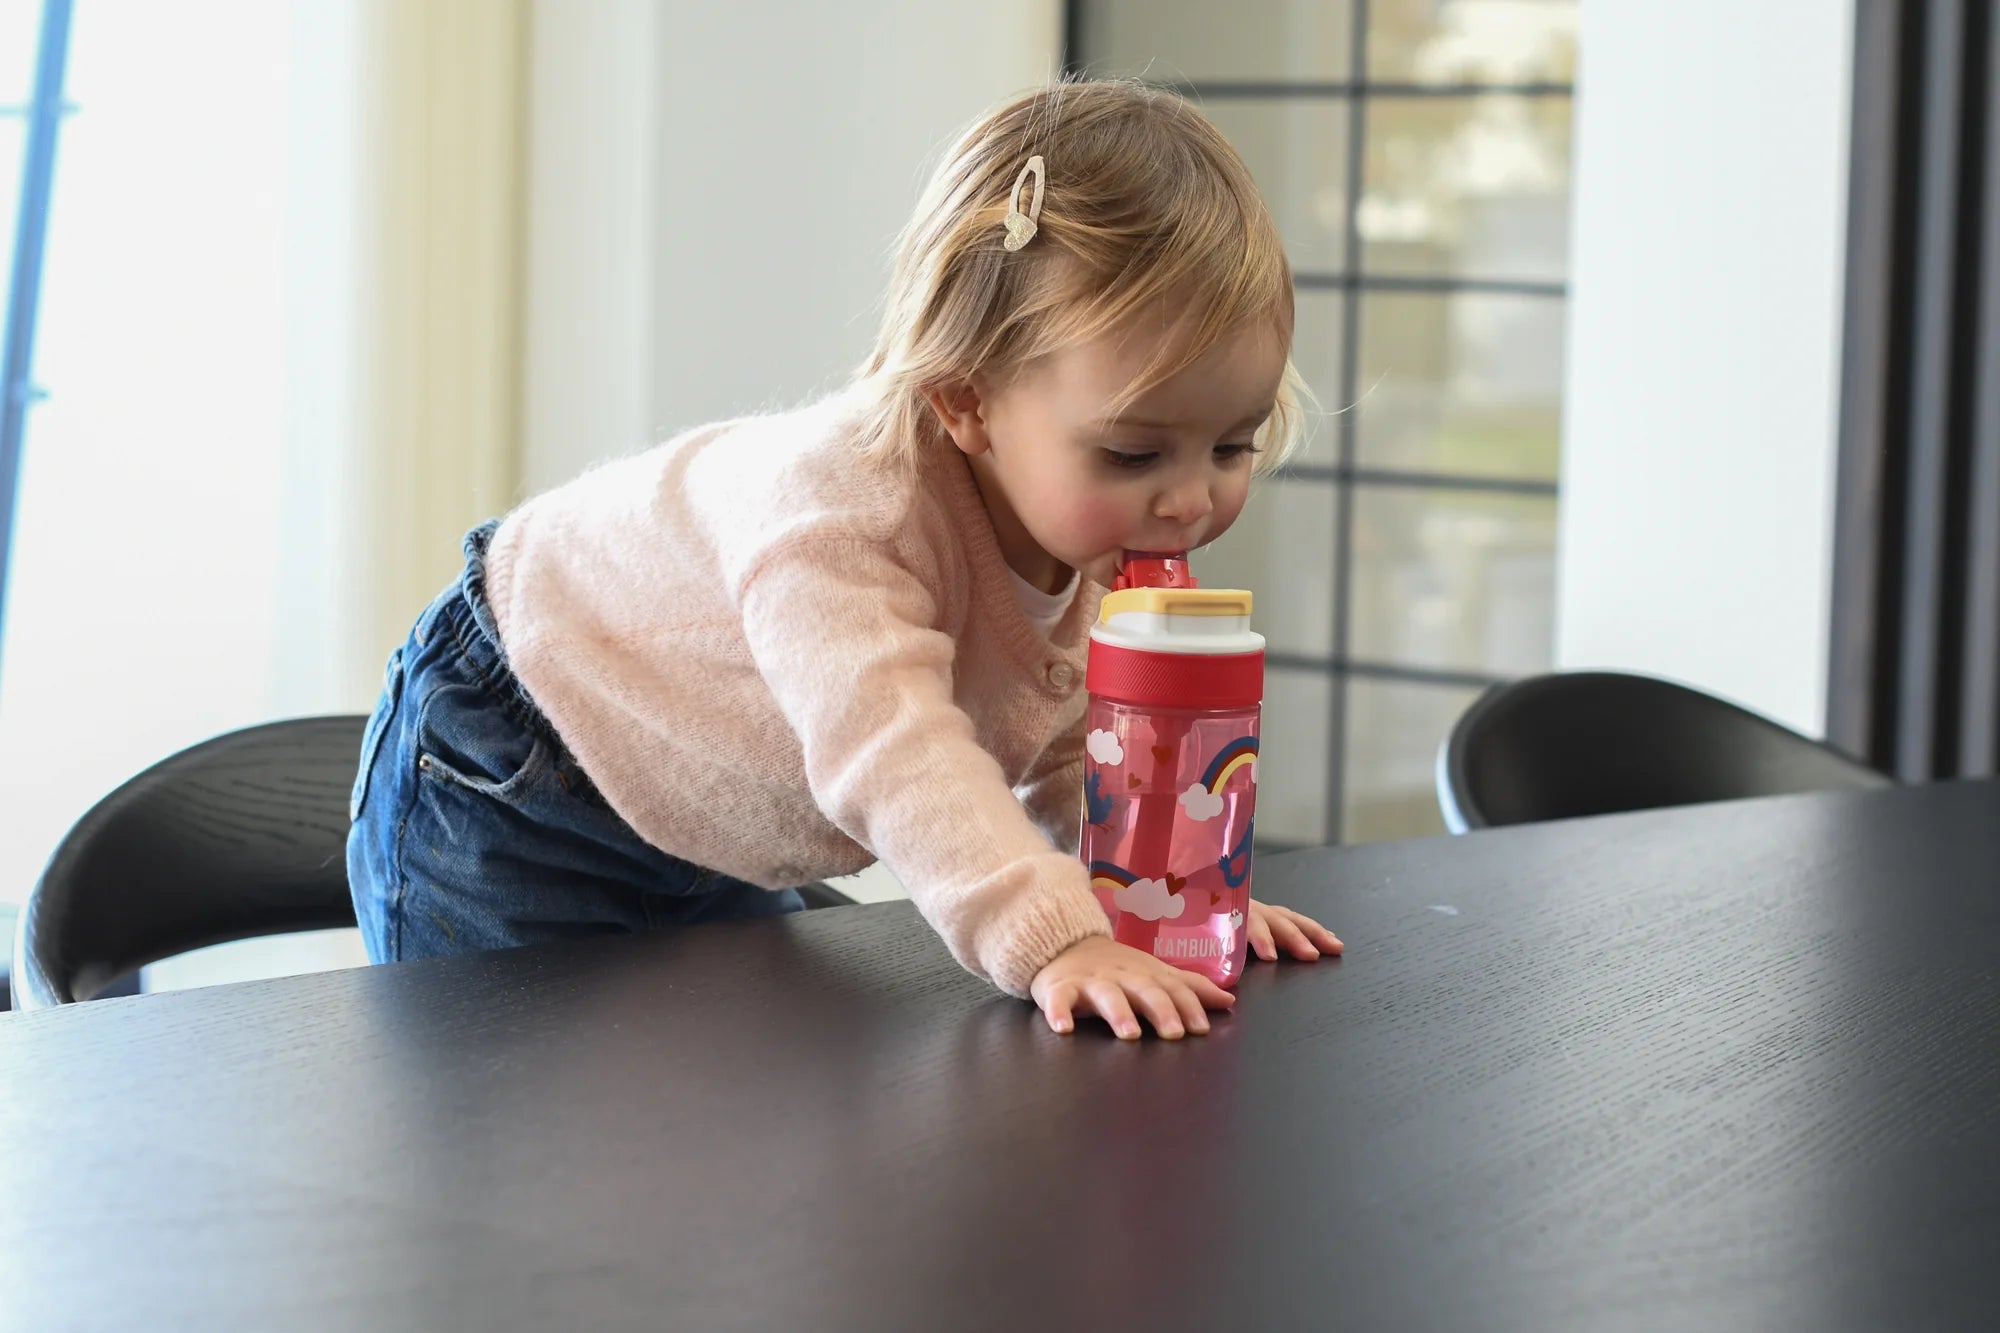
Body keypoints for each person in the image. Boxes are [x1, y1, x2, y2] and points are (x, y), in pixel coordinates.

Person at [347, 78, 1344, 1041]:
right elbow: (893, 749)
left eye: (1233, 444)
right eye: (1132, 453)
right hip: (515, 761)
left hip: (703, 821)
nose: (1190, 500)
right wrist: (1056, 941)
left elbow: (1071, 757)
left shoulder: (1087, 538)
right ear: (966, 400)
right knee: (505, 1113)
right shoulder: (842, 517)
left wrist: (1168, 901)